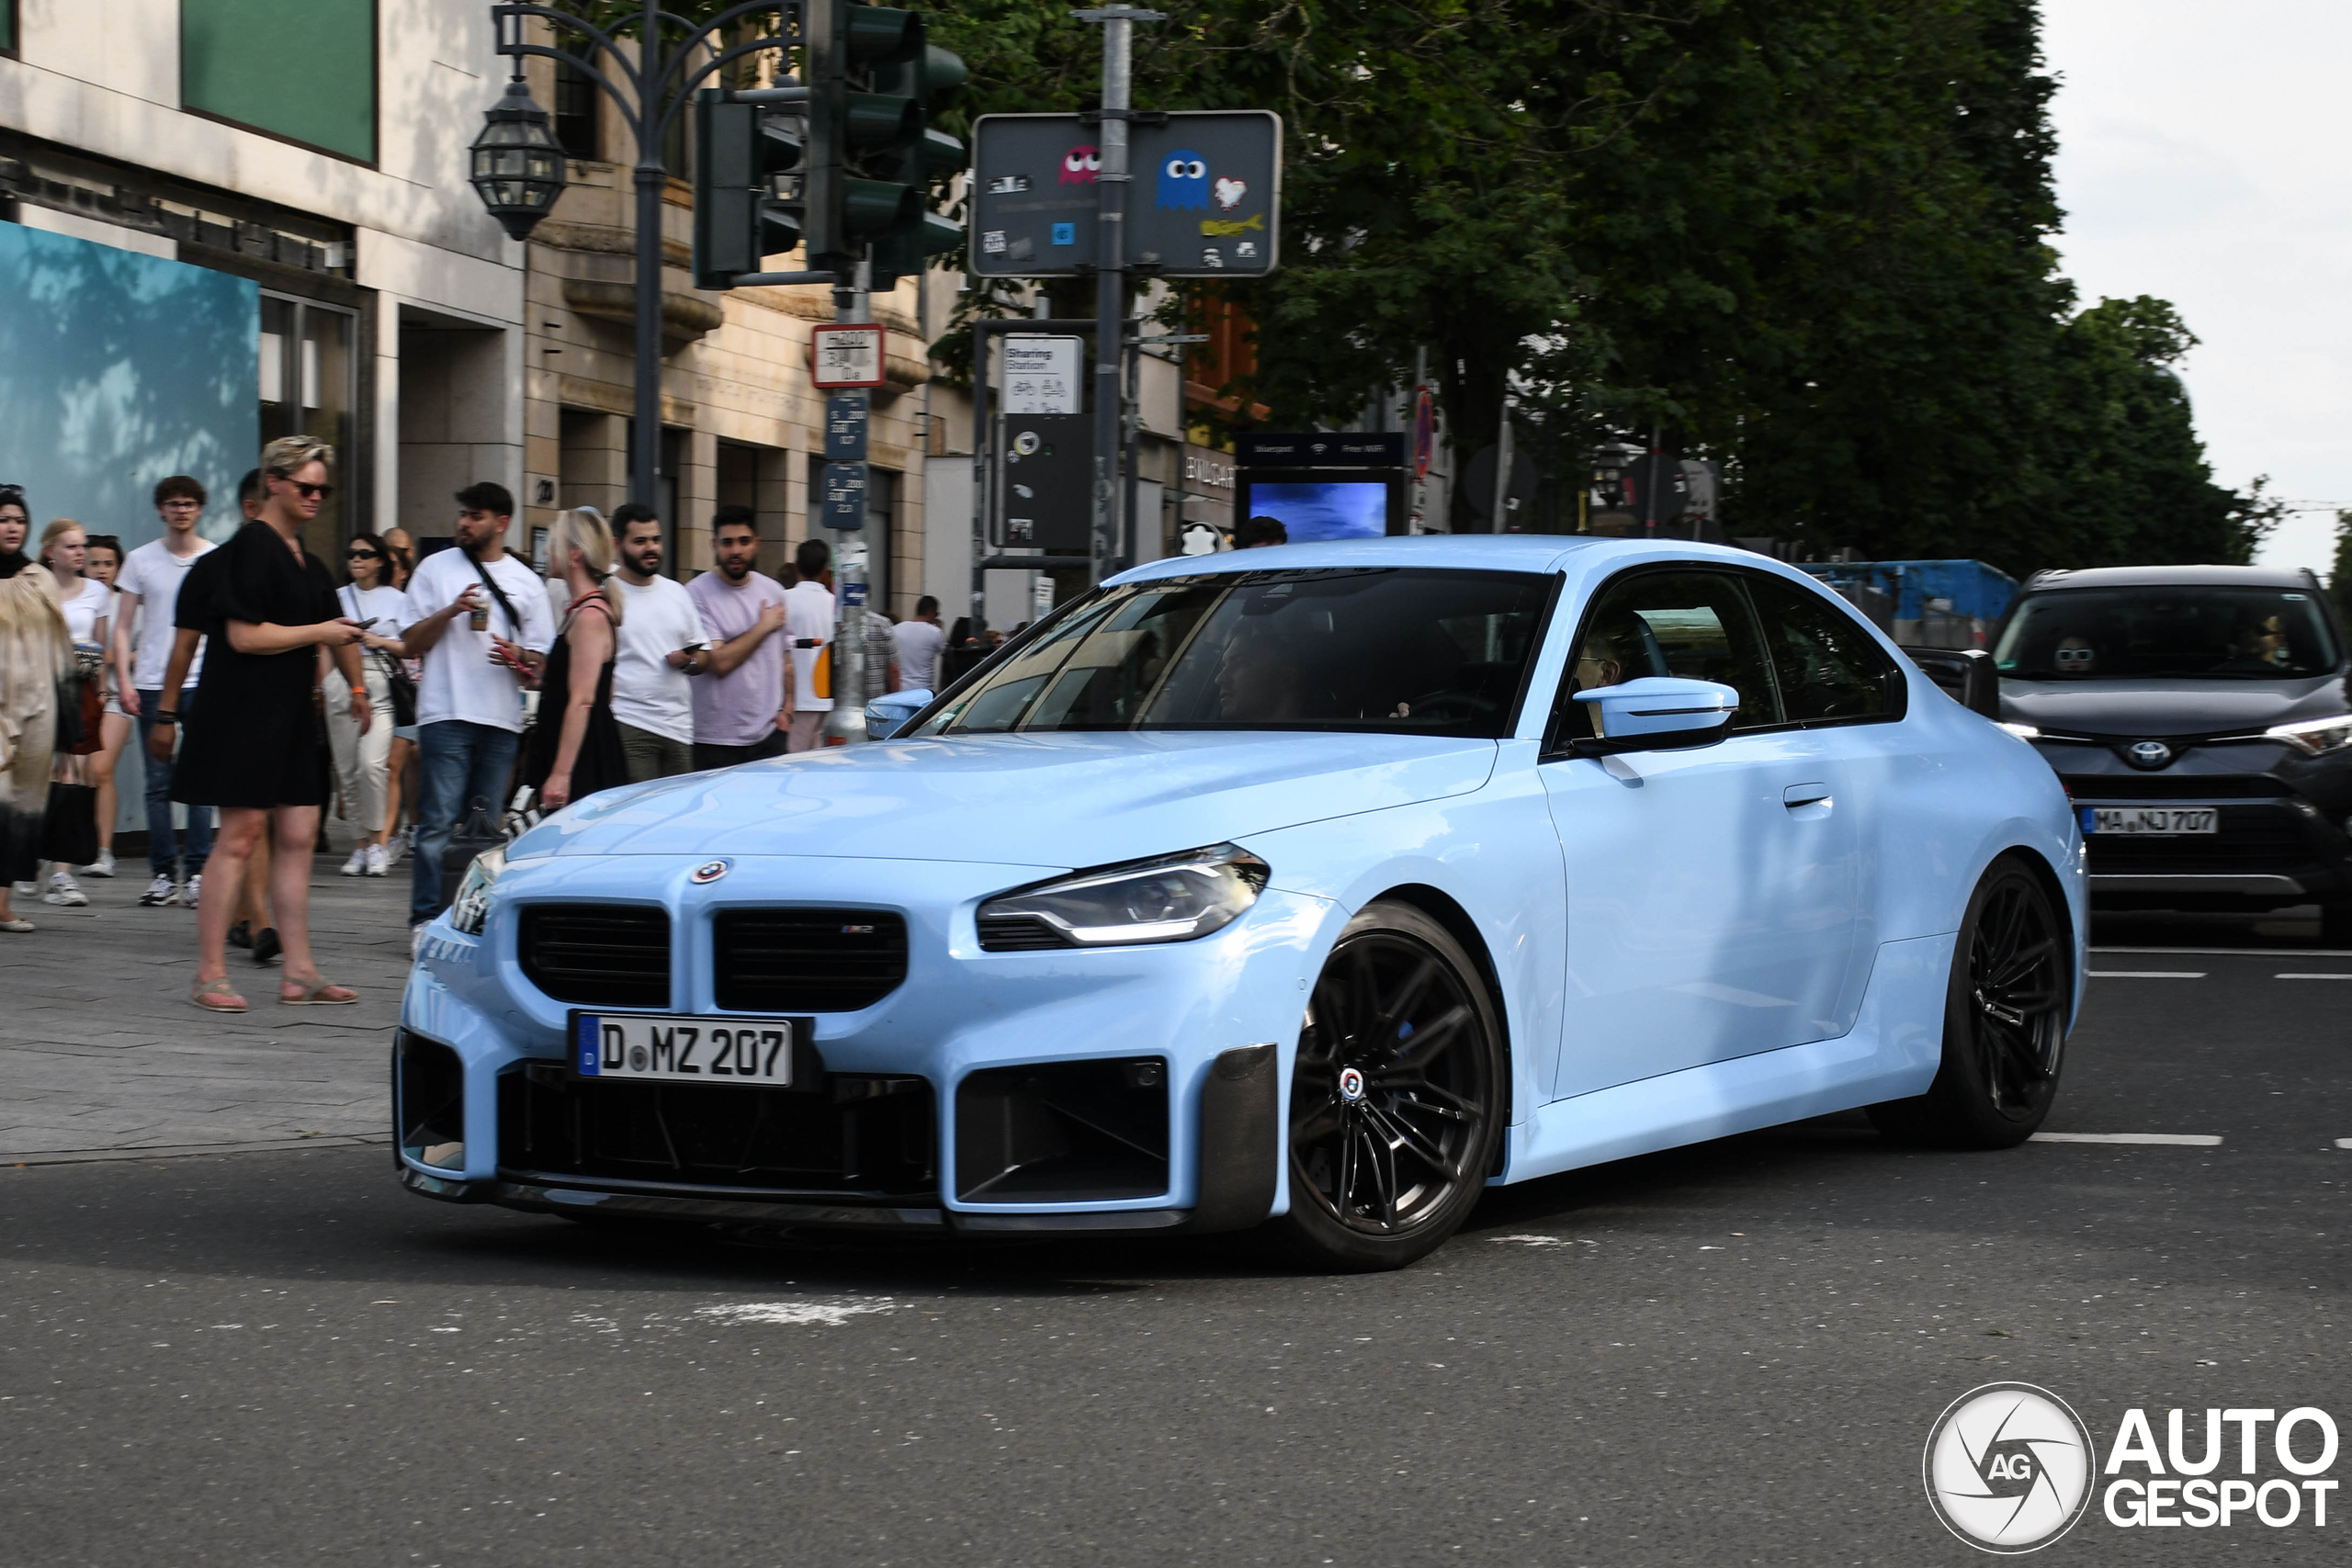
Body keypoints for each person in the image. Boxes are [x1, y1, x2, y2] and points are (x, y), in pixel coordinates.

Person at [172, 436, 369, 1011]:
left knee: (299, 836)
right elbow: (243, 636)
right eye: (306, 487)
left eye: (323, 490)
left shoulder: (306, 557)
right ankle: (209, 973)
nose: (316, 497)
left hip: (289, 716)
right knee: (239, 836)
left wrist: (356, 684)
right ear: (274, 483)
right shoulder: (251, 549)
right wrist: (321, 636)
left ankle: (299, 971)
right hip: (242, 713)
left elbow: (338, 623)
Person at [399, 481, 553, 945]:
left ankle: (473, 920)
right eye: (463, 514)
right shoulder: (434, 569)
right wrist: (450, 610)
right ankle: (425, 919)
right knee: (437, 824)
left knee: (485, 832)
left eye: (475, 516)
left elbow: (539, 665)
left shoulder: (526, 582)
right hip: (445, 711)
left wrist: (517, 654)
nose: (464, 523)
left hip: (501, 719)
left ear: (501, 523)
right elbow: (409, 643)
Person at [114, 475, 217, 908]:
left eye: (189, 503)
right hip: (153, 682)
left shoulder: (214, 558)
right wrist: (123, 679)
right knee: (157, 783)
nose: (181, 510)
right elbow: (121, 627)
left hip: (203, 681)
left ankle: (196, 873)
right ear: (161, 509)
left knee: (201, 783)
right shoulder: (139, 560)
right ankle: (162, 874)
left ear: (199, 508)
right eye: (173, 503)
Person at [523, 509, 629, 811]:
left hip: (581, 757)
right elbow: (602, 689)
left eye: (553, 543)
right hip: (574, 747)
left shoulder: (589, 616)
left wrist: (560, 774)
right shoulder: (582, 612)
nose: (546, 550)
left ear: (574, 554)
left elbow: (585, 700)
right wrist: (546, 681)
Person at [604, 502, 716, 783]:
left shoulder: (676, 592)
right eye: (640, 541)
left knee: (672, 816)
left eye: (656, 539)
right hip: (628, 721)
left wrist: (688, 661)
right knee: (637, 811)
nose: (651, 548)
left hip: (678, 727)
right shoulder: (605, 593)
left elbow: (703, 654)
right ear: (618, 545)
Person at [0, 488, 70, 933]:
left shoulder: (39, 579)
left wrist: (68, 714)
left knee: (21, 807)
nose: (11, 527)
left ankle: (2, 905)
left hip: (38, 709)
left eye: (18, 520)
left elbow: (60, 649)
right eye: (3, 518)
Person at [325, 531, 410, 875]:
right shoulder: (336, 597)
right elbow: (323, 644)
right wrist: (323, 686)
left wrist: (378, 640)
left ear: (379, 561)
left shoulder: (398, 600)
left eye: (364, 554)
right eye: (351, 554)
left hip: (380, 680)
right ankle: (359, 846)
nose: (356, 559)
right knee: (346, 771)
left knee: (372, 764)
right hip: (339, 680)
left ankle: (379, 842)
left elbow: (411, 648)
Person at [686, 504, 794, 770]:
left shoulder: (774, 590)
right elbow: (719, 662)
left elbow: (787, 661)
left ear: (756, 544)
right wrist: (763, 626)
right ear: (714, 545)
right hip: (713, 740)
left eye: (744, 541)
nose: (736, 550)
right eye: (727, 543)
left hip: (768, 736)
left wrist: (787, 710)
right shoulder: (696, 594)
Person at [37, 520, 107, 908]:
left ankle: (61, 874)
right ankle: (34, 855)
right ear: (50, 551)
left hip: (79, 689)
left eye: (82, 546)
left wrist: (104, 691)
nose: (79, 553)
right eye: (70, 547)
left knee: (72, 774)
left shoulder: (97, 591)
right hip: (38, 687)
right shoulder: (33, 585)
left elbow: (103, 645)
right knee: (38, 775)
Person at [77, 533, 131, 878]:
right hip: (77, 696)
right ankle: (65, 849)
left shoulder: (128, 604)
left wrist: (107, 657)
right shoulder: (76, 600)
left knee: (100, 771)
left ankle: (104, 851)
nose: (101, 570)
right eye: (94, 563)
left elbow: (148, 650)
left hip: (115, 696)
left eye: (108, 563)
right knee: (72, 775)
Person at [782, 537, 836, 751]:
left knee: (791, 763)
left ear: (796, 567)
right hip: (827, 698)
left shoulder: (782, 600)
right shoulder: (836, 605)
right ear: (825, 570)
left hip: (793, 699)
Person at [892, 594, 945, 693]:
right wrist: (940, 628)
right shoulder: (935, 632)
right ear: (931, 612)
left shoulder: (896, 629)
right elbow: (943, 651)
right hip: (923, 689)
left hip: (900, 688)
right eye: (936, 614)